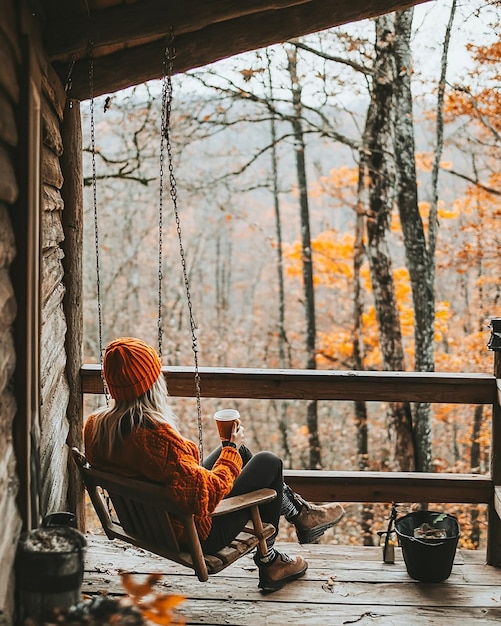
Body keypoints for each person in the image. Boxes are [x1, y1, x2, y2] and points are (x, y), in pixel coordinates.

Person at [84, 337, 345, 593]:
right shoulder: (157, 439)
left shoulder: (96, 427)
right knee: (268, 461)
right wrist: (229, 449)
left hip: (145, 524)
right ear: (152, 383)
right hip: (197, 534)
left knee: (240, 452)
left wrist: (232, 451)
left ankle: (300, 514)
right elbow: (203, 498)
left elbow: (171, 474)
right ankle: (272, 559)